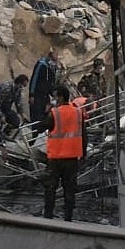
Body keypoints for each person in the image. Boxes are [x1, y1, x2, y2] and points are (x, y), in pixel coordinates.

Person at [33, 86, 85, 221]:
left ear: (61, 97)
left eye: (55, 97)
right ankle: (68, 218)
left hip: (56, 159)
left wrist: (45, 112)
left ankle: (48, 217)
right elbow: (85, 136)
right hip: (72, 159)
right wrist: (83, 155)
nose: (54, 100)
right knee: (69, 190)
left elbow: (41, 128)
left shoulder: (54, 113)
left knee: (50, 189)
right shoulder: (78, 113)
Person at [29, 51, 60, 122]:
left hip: (46, 96)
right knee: (36, 115)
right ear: (49, 58)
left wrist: (54, 95)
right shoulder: (41, 65)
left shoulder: (53, 68)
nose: (54, 62)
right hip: (37, 94)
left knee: (46, 115)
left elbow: (52, 83)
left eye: (55, 60)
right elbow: (34, 79)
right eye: (53, 59)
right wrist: (31, 94)